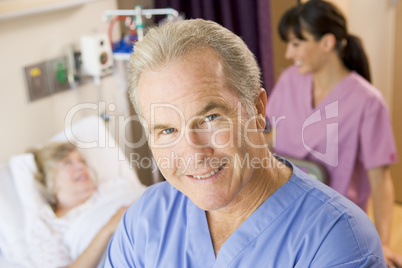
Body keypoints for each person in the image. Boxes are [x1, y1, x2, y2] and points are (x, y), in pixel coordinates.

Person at [106, 18, 386, 267]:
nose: (193, 153)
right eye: (167, 130)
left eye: (210, 117)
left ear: (258, 109)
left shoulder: (336, 240)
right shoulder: (144, 220)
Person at [265, 0, 402, 267]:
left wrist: (382, 243)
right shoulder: (290, 80)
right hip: (281, 210)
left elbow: (380, 177)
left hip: (334, 221)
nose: (290, 54)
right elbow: (273, 137)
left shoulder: (367, 101)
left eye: (296, 43)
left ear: (327, 43)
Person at [29, 142, 130, 268]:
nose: (80, 166)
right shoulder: (48, 223)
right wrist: (108, 229)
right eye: (67, 162)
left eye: (82, 161)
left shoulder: (112, 187)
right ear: (48, 178)